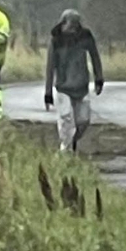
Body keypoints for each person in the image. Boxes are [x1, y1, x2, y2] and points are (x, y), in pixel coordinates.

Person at [43, 9, 105, 153]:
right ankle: (66, 149)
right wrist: (48, 93)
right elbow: (50, 67)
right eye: (71, 25)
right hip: (63, 87)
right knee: (65, 119)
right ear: (63, 23)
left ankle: (73, 141)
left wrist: (99, 78)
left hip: (82, 85)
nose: (73, 29)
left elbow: (95, 57)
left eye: (76, 25)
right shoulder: (56, 40)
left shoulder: (85, 36)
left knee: (83, 121)